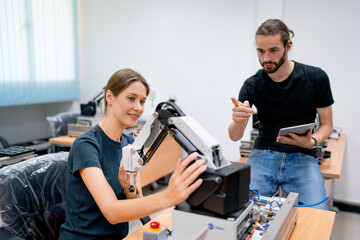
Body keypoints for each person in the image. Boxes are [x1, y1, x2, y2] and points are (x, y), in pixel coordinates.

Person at [59, 68, 207, 239]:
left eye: (142, 101)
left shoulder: (130, 145)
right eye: (131, 98)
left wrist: (129, 187)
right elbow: (111, 212)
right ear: (109, 97)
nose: (138, 108)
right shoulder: (86, 145)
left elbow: (136, 202)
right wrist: (168, 196)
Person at [228, 19, 334, 210]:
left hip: (303, 156)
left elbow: (327, 125)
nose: (266, 58)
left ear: (288, 46)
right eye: (260, 51)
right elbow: (234, 136)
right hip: (263, 154)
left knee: (316, 215)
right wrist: (238, 120)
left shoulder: (316, 78)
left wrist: (311, 142)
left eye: (273, 50)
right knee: (242, 212)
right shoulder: (252, 84)